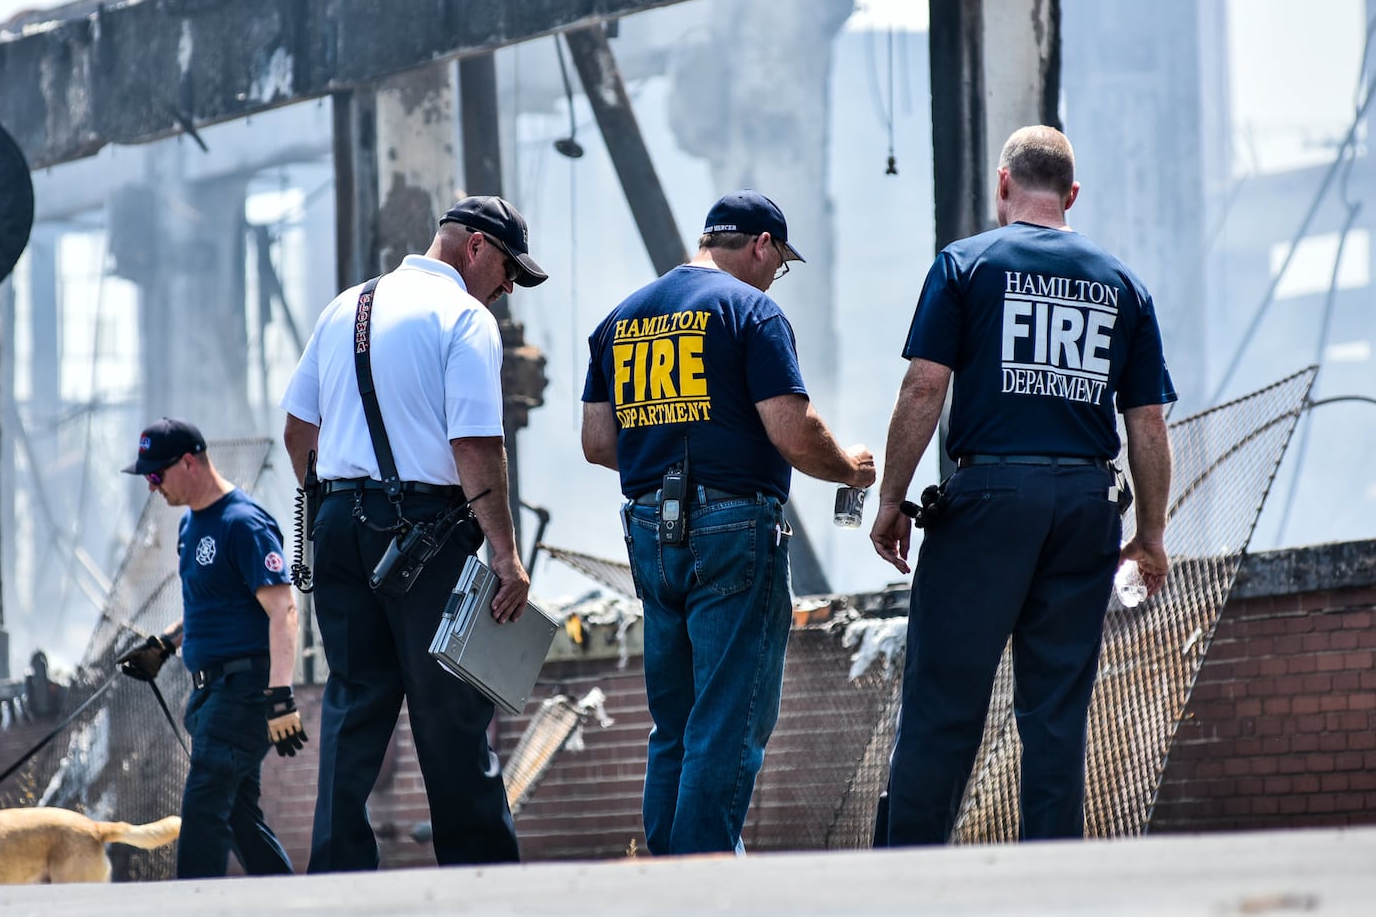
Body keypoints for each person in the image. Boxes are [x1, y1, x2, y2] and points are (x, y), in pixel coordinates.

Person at [867, 125, 1176, 846]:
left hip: (988, 505)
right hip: (1085, 509)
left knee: (944, 704)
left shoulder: (966, 265)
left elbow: (923, 390)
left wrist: (891, 498)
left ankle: (902, 881)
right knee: (1057, 715)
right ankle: (1054, 885)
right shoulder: (1123, 284)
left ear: (1003, 185)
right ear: (1071, 196)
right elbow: (1150, 424)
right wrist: (1152, 535)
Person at [580, 189, 876, 856]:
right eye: (780, 262)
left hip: (652, 532)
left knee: (675, 723)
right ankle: (701, 879)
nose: (777, 276)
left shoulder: (619, 320)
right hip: (734, 528)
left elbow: (598, 444)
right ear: (761, 245)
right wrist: (851, 472)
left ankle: (664, 872)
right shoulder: (751, 312)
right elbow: (793, 432)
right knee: (729, 718)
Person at [280, 194, 546, 872]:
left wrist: (329, 500)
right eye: (510, 270)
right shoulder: (464, 318)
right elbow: (477, 445)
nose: (509, 288)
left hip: (338, 522)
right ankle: (481, 875)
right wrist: (505, 554)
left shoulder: (347, 306)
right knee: (450, 709)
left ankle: (337, 876)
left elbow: (297, 429)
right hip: (426, 527)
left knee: (353, 703)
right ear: (478, 247)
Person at [115, 417, 305, 879]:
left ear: (188, 463)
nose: (152, 487)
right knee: (239, 819)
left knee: (202, 808)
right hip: (209, 695)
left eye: (156, 475)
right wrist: (165, 645)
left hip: (243, 691)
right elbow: (213, 606)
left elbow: (284, 610)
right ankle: (288, 903)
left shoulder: (244, 523)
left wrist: (280, 697)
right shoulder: (190, 526)